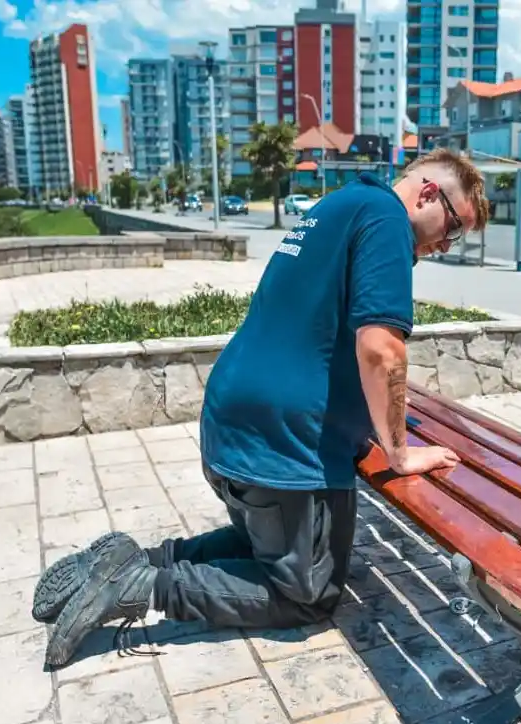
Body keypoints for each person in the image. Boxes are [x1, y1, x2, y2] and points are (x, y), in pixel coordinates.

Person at [35, 149, 491, 668]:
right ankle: (143, 585)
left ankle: (138, 559)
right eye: (453, 227)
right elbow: (381, 349)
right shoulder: (387, 219)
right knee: (307, 593)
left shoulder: (341, 203)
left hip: (233, 422)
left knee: (267, 541)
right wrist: (400, 453)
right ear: (429, 192)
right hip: (285, 445)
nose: (445, 244)